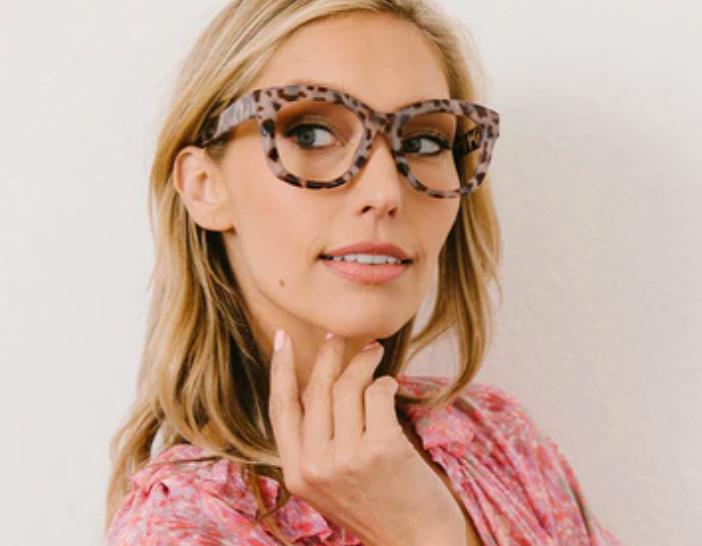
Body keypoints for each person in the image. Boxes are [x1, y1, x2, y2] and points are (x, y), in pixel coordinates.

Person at [104, 1, 624, 545]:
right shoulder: (184, 528)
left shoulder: (495, 440)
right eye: (311, 134)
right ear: (205, 187)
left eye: (423, 142)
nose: (385, 191)